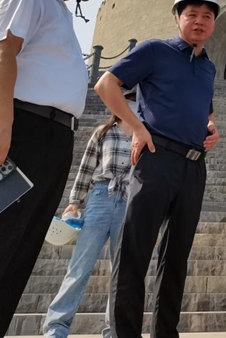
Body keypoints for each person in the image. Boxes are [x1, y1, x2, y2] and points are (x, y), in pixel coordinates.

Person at [0, 0, 109, 338]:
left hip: (46, 138)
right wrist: (0, 123)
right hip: (17, 129)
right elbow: (1, 53)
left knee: (14, 255)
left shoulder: (56, 8)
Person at [94, 0, 221, 338]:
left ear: (214, 23)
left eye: (207, 16)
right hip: (156, 158)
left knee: (176, 257)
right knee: (134, 252)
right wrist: (135, 127)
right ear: (177, 17)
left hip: (194, 166)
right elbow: (106, 85)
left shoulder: (208, 67)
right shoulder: (155, 51)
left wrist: (212, 128)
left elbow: (206, 111)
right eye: (192, 14)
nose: (199, 21)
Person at [43, 89, 137, 338]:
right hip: (100, 198)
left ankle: (114, 331)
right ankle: (56, 327)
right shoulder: (103, 132)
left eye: (136, 101)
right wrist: (74, 201)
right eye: (128, 100)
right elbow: (86, 167)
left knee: (122, 273)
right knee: (80, 267)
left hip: (129, 203)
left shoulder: (145, 135)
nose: (132, 104)